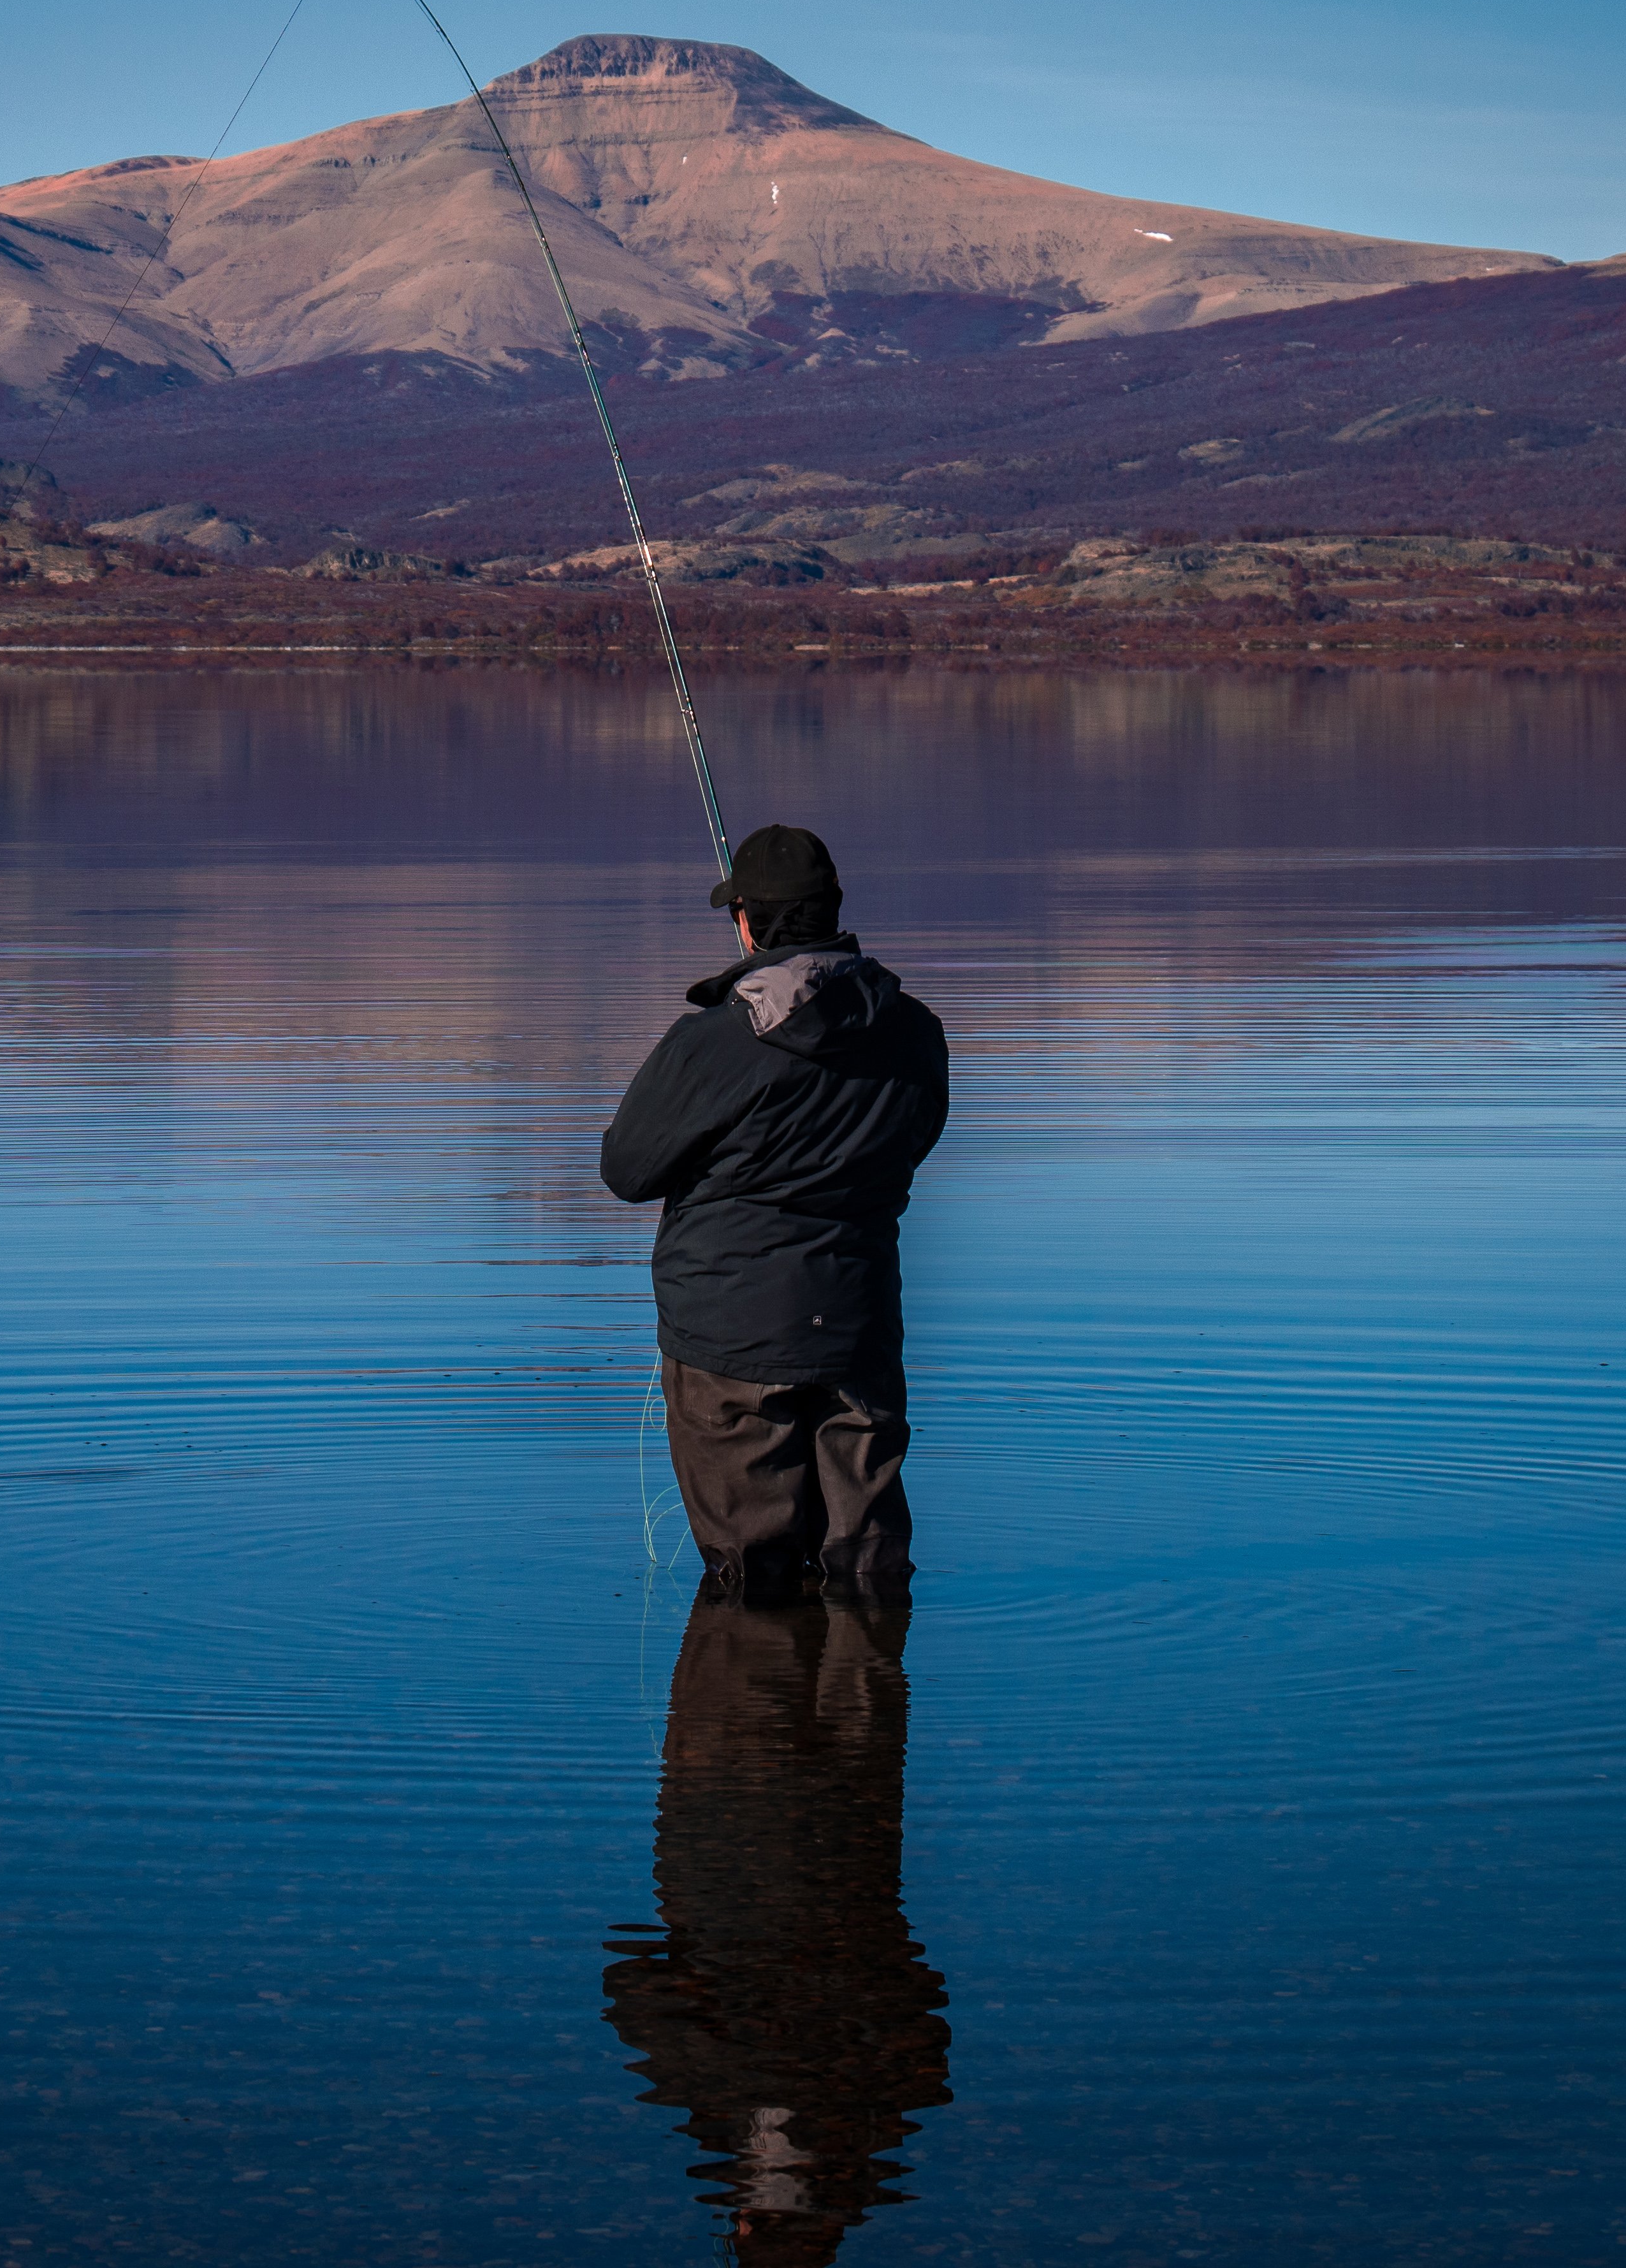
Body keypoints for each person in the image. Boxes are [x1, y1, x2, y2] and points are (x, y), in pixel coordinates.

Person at [601, 825, 948, 1601]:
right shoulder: (917, 1034)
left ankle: (749, 1711)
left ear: (747, 924)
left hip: (727, 1346)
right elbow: (913, 1143)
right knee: (869, 1576)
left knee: (751, 1582)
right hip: (857, 1332)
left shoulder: (710, 1046)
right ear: (831, 914)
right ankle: (863, 1709)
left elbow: (626, 1171)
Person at [601, 1589, 951, 2259]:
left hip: (767, 1841)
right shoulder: (864, 2121)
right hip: (789, 1846)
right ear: (746, 2227)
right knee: (824, 1597)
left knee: (756, 1594)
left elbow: (628, 1986)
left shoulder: (871, 2117)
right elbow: (628, 1986)